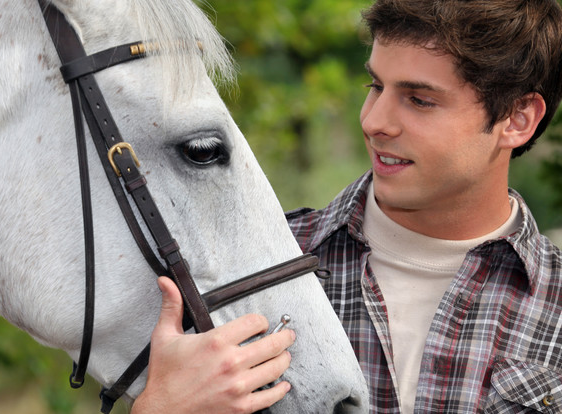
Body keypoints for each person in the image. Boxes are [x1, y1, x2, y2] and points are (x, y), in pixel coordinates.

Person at [133, 0, 562, 412]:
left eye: (419, 100)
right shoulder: (246, 265)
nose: (374, 120)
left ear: (518, 120)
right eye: (375, 85)